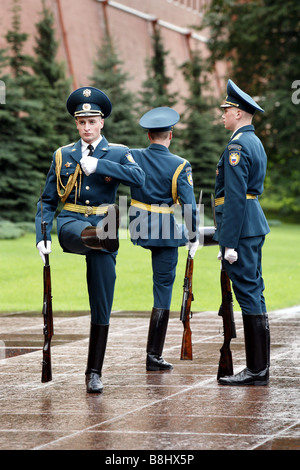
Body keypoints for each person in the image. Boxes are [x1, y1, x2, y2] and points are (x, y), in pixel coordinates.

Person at [35, 86, 145, 393]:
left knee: (102, 301)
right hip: (71, 222)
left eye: (91, 121)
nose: (86, 127)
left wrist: (102, 165)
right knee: (83, 236)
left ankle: (93, 372)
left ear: (101, 123)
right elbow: (47, 202)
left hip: (104, 222)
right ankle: (98, 239)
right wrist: (41, 237)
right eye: (81, 122)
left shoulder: (120, 153)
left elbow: (140, 179)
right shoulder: (62, 155)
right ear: (76, 124)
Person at [128, 107, 199, 371]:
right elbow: (189, 206)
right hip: (164, 232)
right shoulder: (180, 165)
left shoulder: (132, 156)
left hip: (138, 227)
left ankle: (153, 355)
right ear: (171, 135)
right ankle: (153, 356)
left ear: (148, 136)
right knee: (163, 289)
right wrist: (192, 235)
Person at [213, 79, 270, 386]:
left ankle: (257, 370)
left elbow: (234, 197)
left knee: (248, 293)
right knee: (255, 292)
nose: (222, 115)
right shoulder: (254, 142)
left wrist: (228, 242)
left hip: (242, 228)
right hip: (253, 224)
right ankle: (259, 368)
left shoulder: (236, 146)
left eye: (226, 109)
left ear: (238, 113)